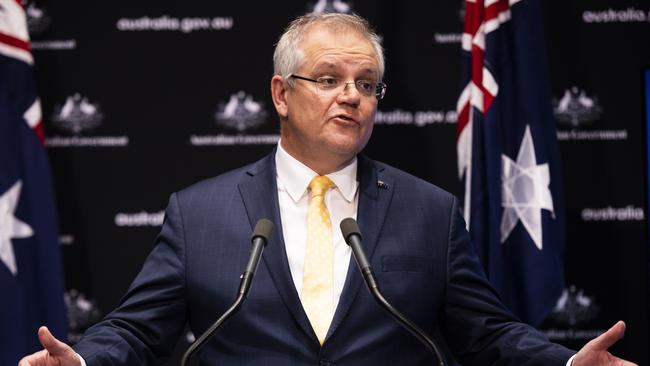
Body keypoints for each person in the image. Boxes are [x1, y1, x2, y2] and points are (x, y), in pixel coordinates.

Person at [20, 12, 636, 366]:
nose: (352, 95)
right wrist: (84, 360)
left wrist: (563, 364)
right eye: (329, 78)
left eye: (367, 84)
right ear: (281, 94)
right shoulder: (200, 213)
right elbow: (134, 329)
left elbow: (489, 333)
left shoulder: (429, 211)